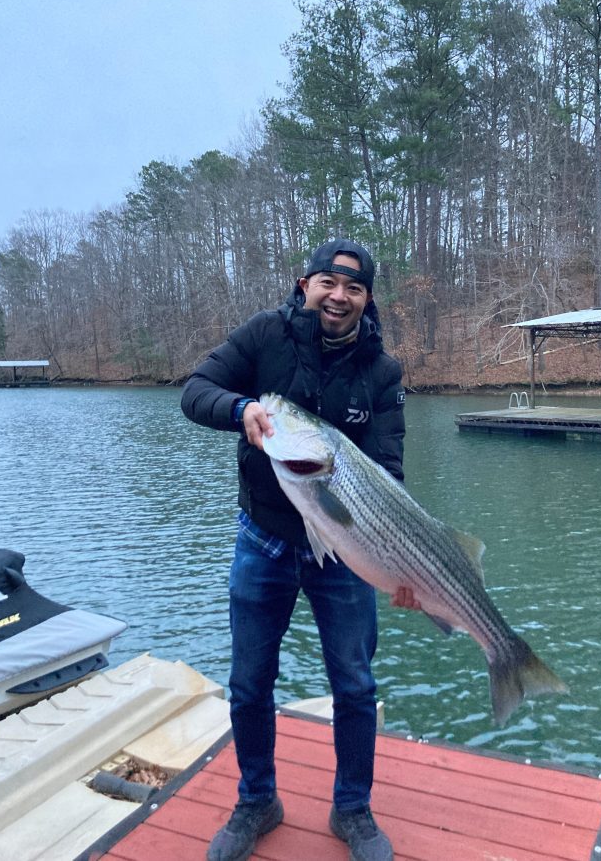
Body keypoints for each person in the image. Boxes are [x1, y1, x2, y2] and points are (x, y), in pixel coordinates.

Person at [181, 239, 407, 861]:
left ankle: (353, 809)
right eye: (328, 283)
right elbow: (195, 389)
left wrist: (403, 567)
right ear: (304, 283)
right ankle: (258, 800)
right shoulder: (263, 337)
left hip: (347, 549)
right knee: (250, 682)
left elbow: (389, 471)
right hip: (264, 539)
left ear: (367, 299)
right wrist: (242, 407)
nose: (339, 296)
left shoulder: (382, 372)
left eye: (354, 288)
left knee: (355, 685)